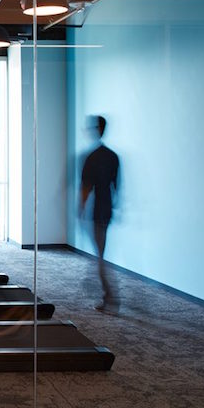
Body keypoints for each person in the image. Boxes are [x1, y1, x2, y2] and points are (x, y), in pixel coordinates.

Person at [79, 115, 120, 314]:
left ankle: (110, 296)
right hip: (107, 208)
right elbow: (116, 187)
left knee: (100, 256)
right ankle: (109, 294)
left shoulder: (92, 158)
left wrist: (80, 208)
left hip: (97, 210)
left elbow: (86, 187)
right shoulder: (112, 157)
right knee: (100, 254)